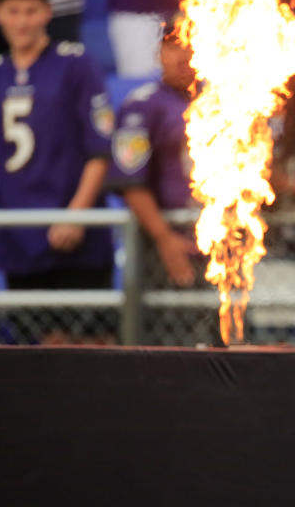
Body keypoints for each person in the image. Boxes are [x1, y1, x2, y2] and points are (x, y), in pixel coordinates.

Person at [0, 0, 114, 343]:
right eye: (13, 11)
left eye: (31, 10)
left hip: (77, 237)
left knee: (92, 349)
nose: (22, 21)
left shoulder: (75, 65)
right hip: (21, 235)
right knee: (41, 352)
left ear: (48, 12)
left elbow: (100, 149)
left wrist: (77, 215)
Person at [105, 18, 221, 346]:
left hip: (225, 243)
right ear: (159, 53)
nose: (184, 55)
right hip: (170, 243)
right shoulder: (141, 106)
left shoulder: (231, 99)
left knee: (231, 346)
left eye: (192, 43)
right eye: (175, 45)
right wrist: (164, 237)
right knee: (170, 344)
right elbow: (131, 183)